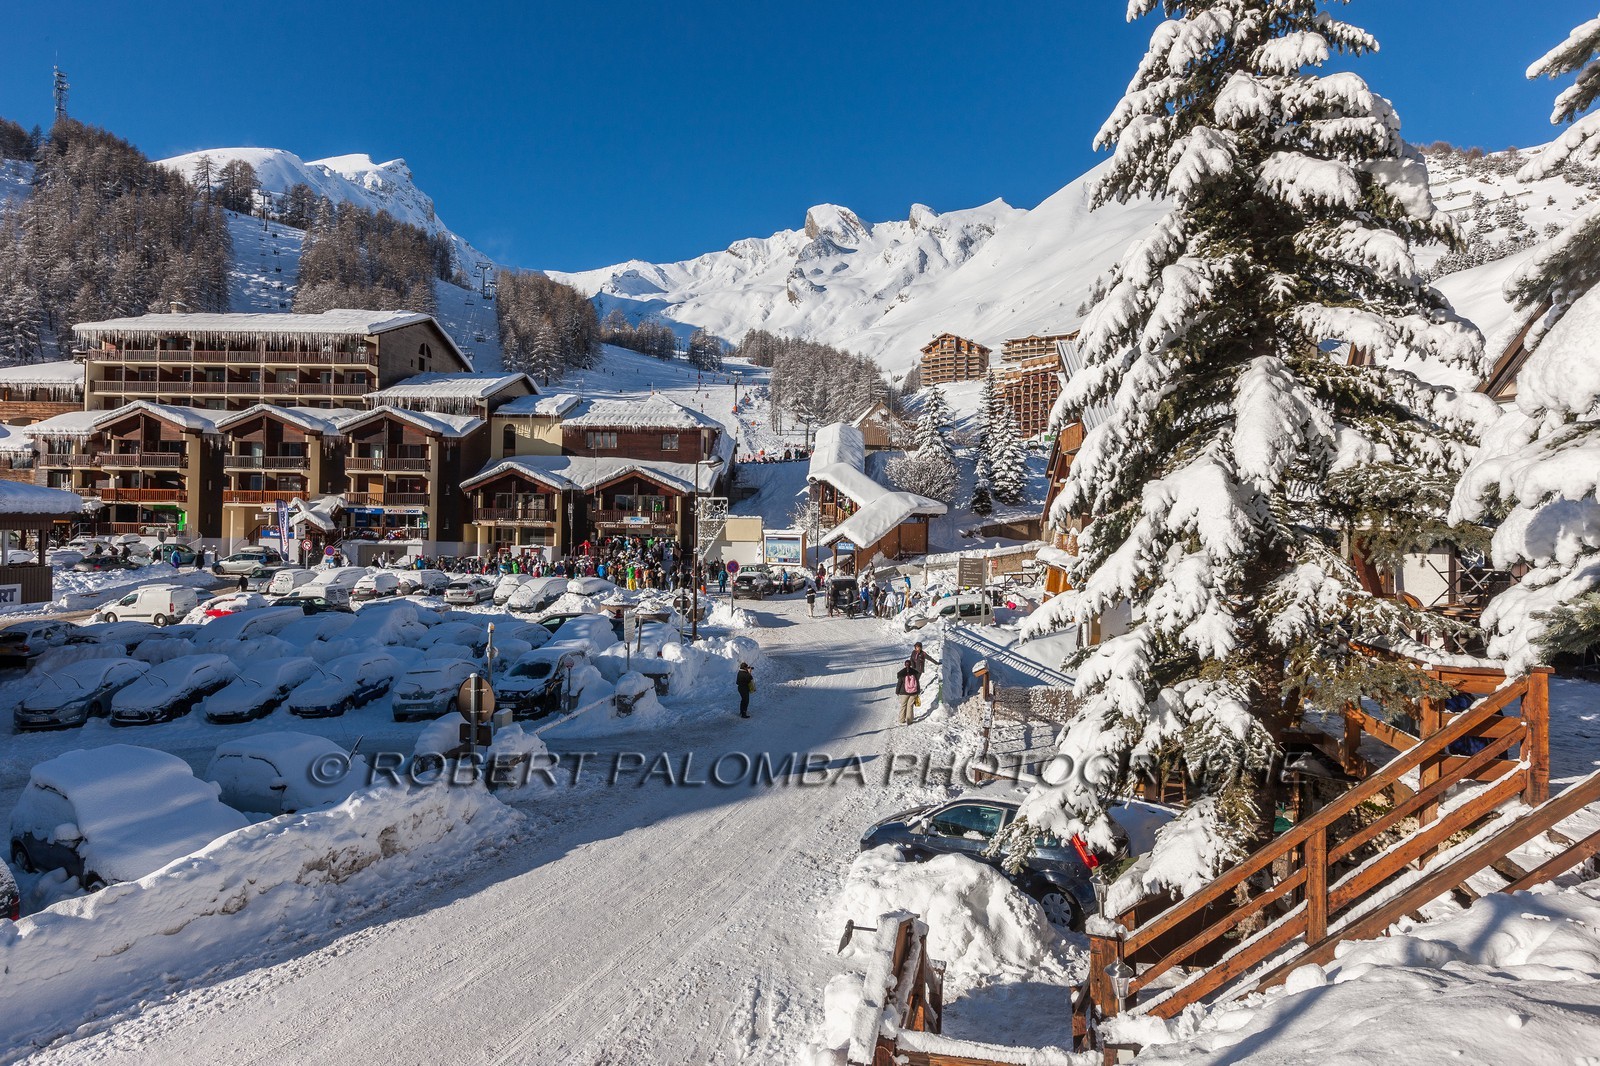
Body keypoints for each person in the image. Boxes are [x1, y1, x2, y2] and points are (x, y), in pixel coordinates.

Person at [895, 658, 921, 725]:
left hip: (904, 692)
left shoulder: (901, 673)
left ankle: (901, 720)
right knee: (910, 705)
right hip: (913, 692)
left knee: (903, 705)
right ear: (911, 665)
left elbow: (899, 683)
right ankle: (909, 720)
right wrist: (918, 691)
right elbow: (917, 682)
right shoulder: (915, 672)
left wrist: (897, 691)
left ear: (905, 665)